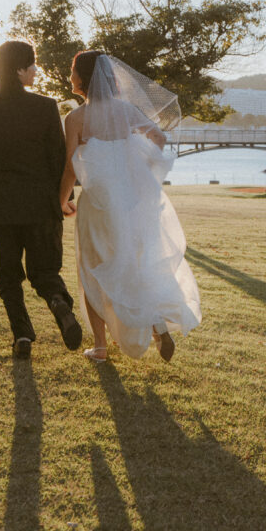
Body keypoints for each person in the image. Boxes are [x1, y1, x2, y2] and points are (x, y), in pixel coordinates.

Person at [59, 51, 201, 363]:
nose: (70, 76)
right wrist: (135, 169)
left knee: (92, 271)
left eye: (72, 70)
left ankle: (100, 347)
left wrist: (61, 202)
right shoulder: (126, 111)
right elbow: (159, 140)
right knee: (130, 263)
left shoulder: (76, 118)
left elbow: (70, 167)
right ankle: (156, 324)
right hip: (129, 201)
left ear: (83, 77)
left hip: (96, 204)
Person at [0, 40, 82, 358]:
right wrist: (64, 198)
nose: (36, 71)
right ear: (18, 70)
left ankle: (23, 336)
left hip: (3, 205)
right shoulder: (45, 107)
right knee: (44, 272)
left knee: (8, 274)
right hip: (42, 204)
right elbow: (59, 158)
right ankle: (58, 304)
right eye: (32, 65)